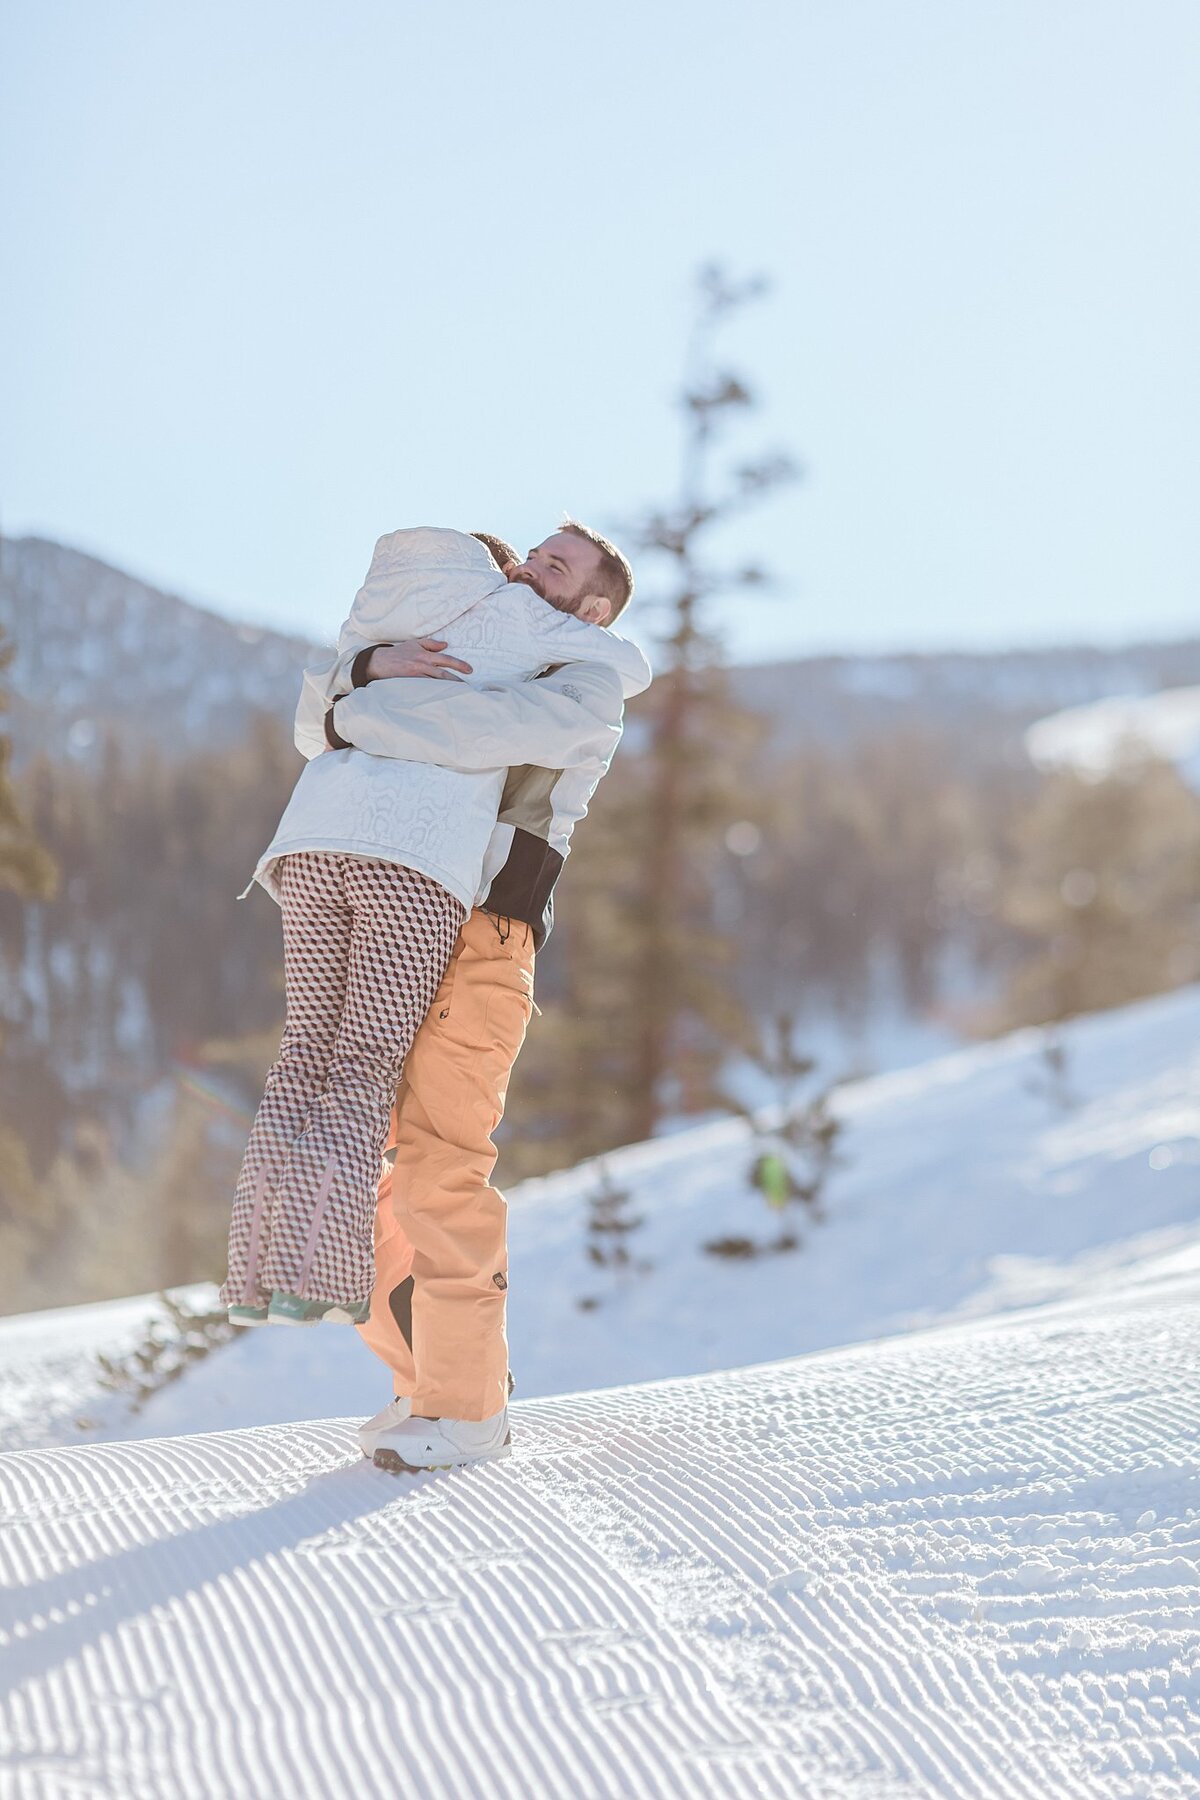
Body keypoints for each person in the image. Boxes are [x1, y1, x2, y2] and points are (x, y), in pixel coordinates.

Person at [221, 525, 648, 1351]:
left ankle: (277, 1289)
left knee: (349, 1092)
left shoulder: (575, 666)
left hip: (390, 880)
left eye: (553, 566)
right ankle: (330, 1295)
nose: (527, 568)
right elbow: (356, 714)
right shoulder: (495, 624)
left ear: (593, 608)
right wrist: (366, 676)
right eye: (532, 553)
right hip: (411, 869)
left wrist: (358, 705)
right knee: (353, 1077)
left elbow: (359, 725)